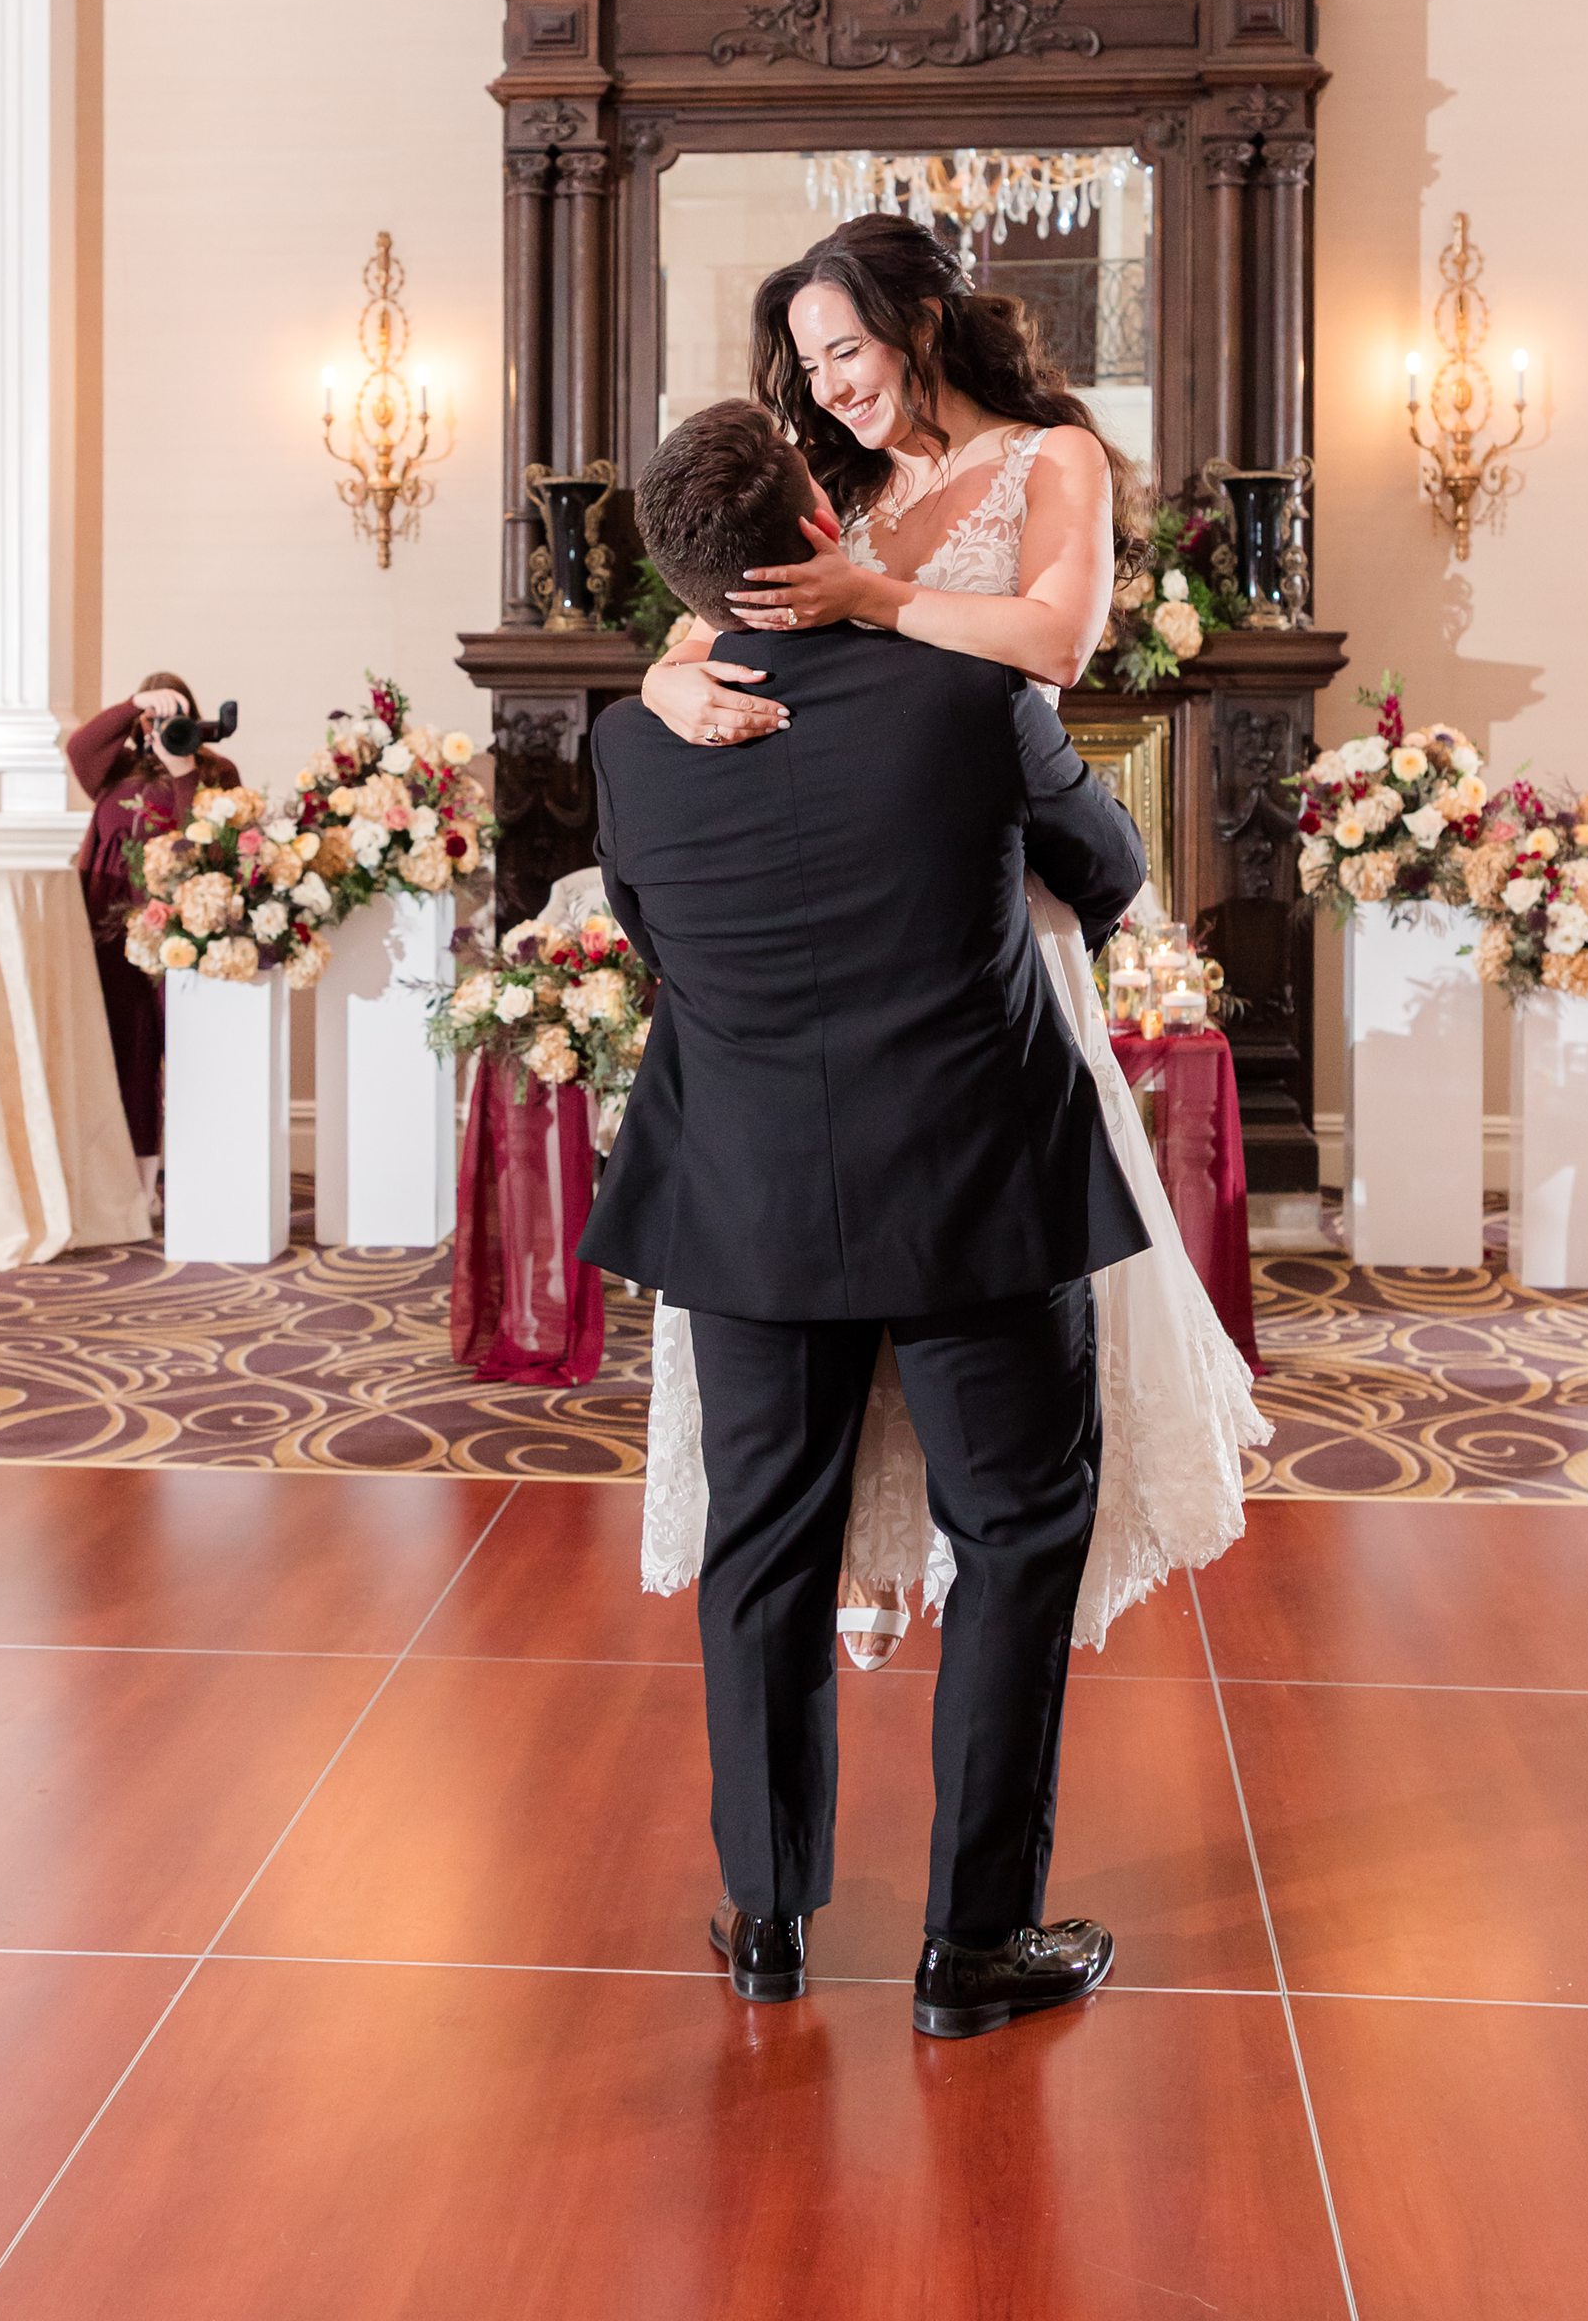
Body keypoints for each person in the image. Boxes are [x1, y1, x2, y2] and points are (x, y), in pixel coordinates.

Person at [582, 397, 1147, 2037]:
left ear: (690, 588)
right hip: (975, 1183)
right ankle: (975, 1945)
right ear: (823, 529)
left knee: (763, 1550)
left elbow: (644, 921)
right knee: (1019, 1533)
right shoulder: (970, 695)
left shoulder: (635, 740)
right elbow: (1101, 871)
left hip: (749, 1194)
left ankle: (767, 1916)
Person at [637, 213, 1266, 1662]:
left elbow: (1054, 643)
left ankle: (973, 1561)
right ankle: (856, 1549)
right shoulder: (827, 483)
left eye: (847, 348)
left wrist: (877, 596)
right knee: (821, 1283)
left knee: (976, 1266)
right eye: (808, 362)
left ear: (923, 319)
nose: (834, 386)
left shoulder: (1055, 460)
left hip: (987, 906)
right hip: (835, 920)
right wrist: (670, 693)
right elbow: (700, 631)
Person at [68, 677, 241, 1163]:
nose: (161, 727)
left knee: (188, 1046)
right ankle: (135, 1177)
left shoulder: (217, 771)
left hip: (182, 929)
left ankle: (196, 1165)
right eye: (152, 719)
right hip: (109, 926)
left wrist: (183, 772)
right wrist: (133, 704)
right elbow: (80, 747)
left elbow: (208, 847)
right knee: (128, 1050)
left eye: (173, 717)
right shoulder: (113, 768)